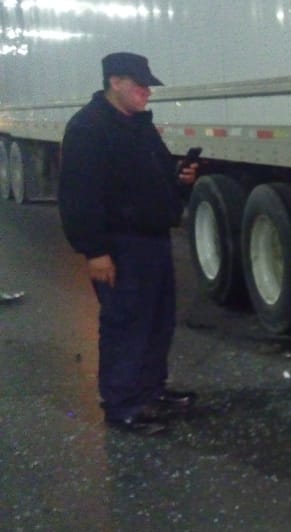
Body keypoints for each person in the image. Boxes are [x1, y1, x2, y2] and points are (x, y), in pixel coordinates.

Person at [57, 52, 199, 436]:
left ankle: (151, 390)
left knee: (156, 321)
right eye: (140, 84)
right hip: (120, 245)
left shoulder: (138, 126)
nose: (147, 91)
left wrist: (177, 179)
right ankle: (122, 405)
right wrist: (95, 251)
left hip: (152, 239)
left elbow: (152, 177)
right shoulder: (89, 128)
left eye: (148, 85)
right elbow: (78, 195)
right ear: (115, 82)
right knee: (126, 324)